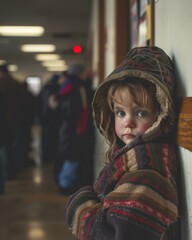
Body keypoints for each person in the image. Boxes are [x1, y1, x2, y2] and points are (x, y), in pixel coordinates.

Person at [66, 46, 180, 240]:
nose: (127, 122)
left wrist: (81, 203)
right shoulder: (128, 155)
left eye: (141, 113)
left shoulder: (148, 170)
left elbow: (112, 235)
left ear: (160, 116)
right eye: (120, 113)